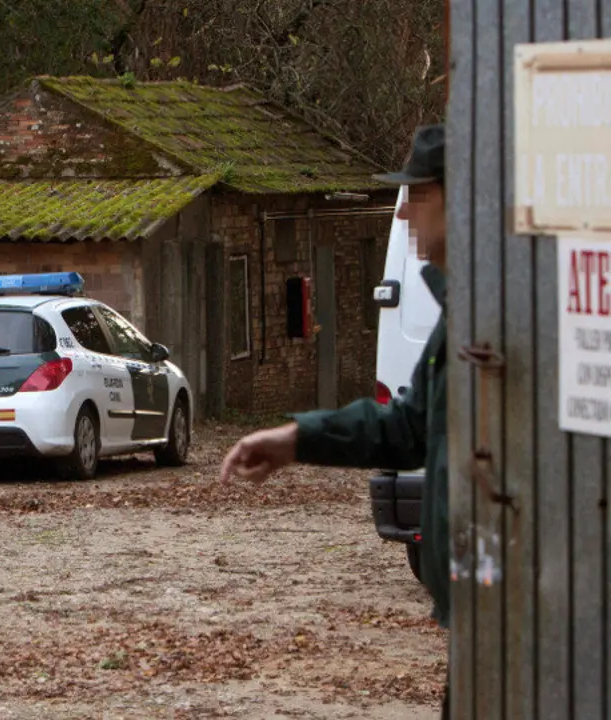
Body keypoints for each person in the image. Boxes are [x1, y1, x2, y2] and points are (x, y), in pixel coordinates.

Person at [219, 124, 450, 718]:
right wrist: (298, 438)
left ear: (459, 197)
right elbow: (408, 429)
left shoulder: (505, 308)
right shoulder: (462, 306)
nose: (404, 210)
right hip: (480, 617)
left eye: (417, 193)